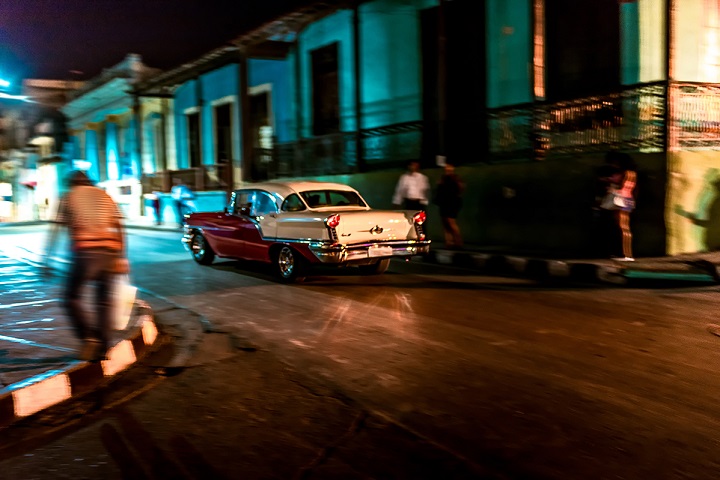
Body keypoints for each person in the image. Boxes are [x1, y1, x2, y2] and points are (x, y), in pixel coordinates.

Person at [44, 170, 129, 362]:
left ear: (72, 183)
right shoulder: (105, 196)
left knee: (70, 297)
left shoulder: (68, 197)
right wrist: (122, 257)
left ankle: (89, 336)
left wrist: (46, 260)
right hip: (110, 252)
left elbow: (56, 230)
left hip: (86, 254)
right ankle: (104, 347)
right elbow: (119, 227)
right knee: (104, 302)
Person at [603, 152, 637, 261]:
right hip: (626, 200)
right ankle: (625, 253)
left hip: (623, 201)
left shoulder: (628, 174)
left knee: (623, 228)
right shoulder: (630, 173)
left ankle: (626, 254)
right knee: (622, 227)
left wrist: (612, 189)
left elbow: (625, 189)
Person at [434, 162, 464, 249]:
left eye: (449, 167)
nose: (447, 169)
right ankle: (449, 241)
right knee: (445, 222)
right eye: (446, 168)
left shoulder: (455, 178)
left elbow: (461, 189)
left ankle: (458, 241)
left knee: (451, 221)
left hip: (452, 202)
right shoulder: (443, 178)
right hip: (444, 202)